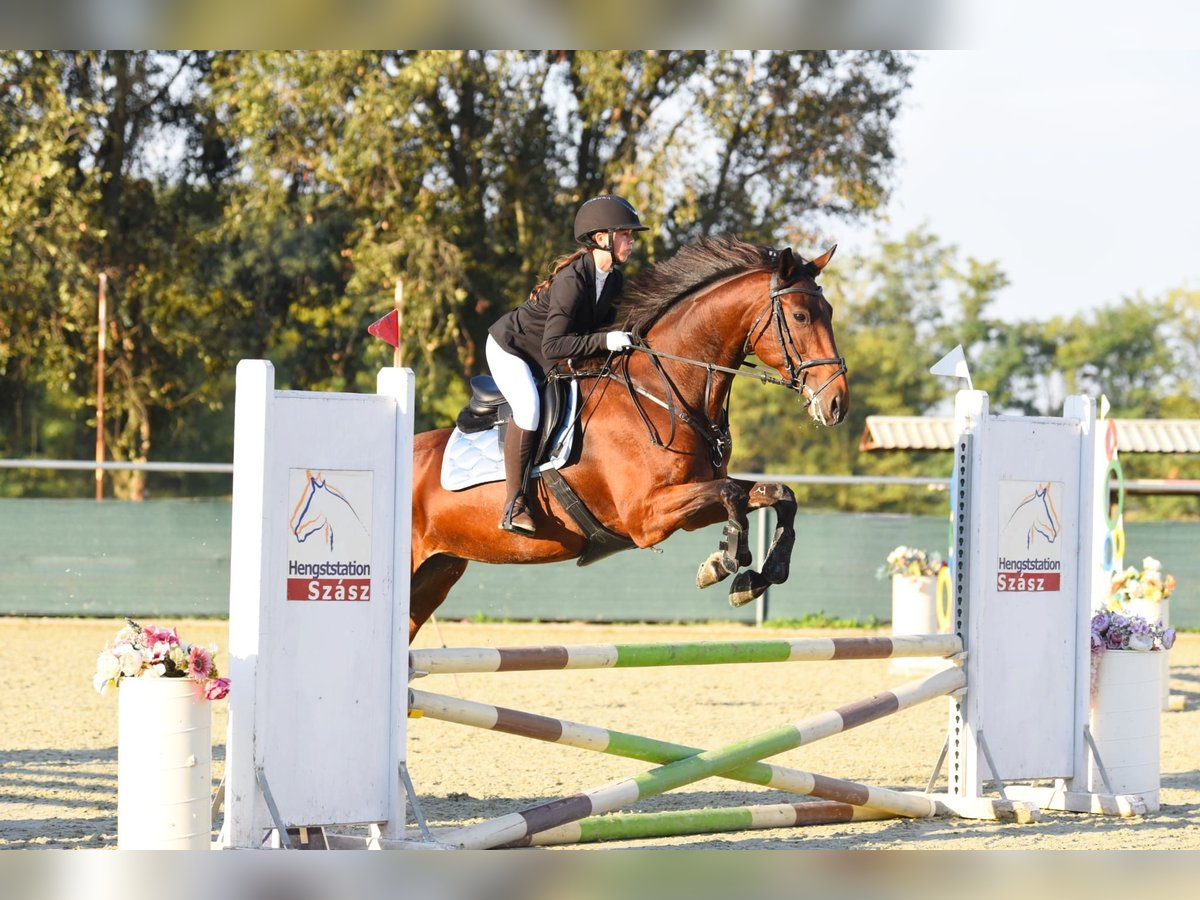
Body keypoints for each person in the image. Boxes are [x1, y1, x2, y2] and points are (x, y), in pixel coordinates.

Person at [486, 194, 649, 534]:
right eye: (626, 234)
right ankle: (514, 504)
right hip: (513, 349)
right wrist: (606, 341)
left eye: (632, 235)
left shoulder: (613, 281)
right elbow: (555, 344)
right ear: (601, 237)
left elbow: (593, 334)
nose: (632, 240)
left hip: (547, 355)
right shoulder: (572, 280)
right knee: (529, 407)